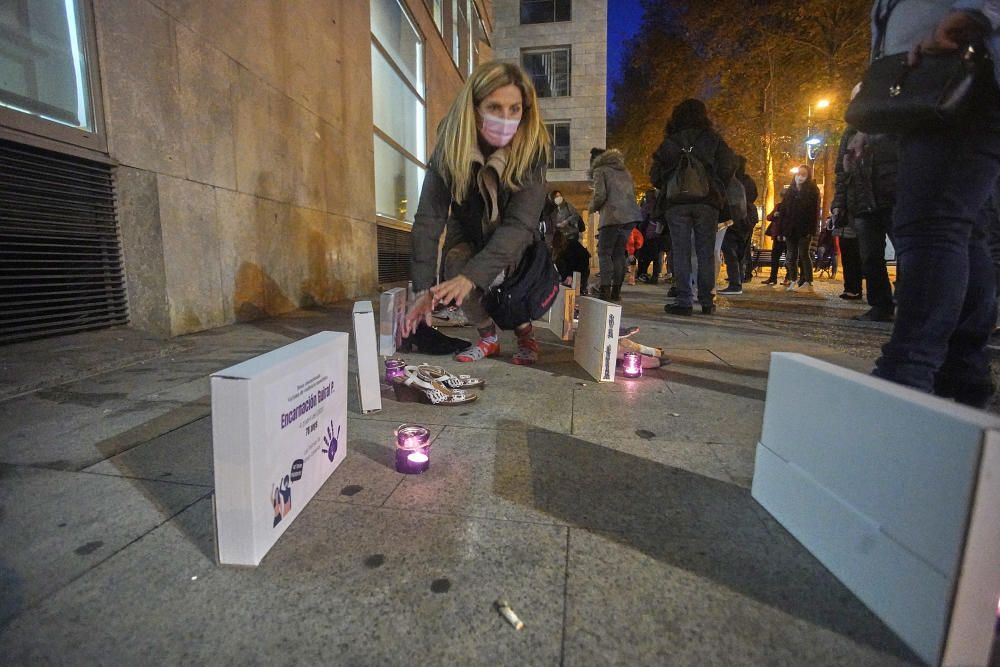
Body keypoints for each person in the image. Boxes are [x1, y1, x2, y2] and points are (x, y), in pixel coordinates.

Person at [869, 0, 1000, 408]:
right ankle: (961, 370)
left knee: (930, 225)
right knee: (961, 229)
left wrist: (977, 17)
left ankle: (908, 373)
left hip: (962, 75)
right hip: (934, 82)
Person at [404, 61, 550, 366]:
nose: (505, 118)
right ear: (474, 106)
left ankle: (525, 334)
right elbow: (428, 219)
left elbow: (519, 225)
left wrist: (473, 277)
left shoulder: (532, 149)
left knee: (511, 286)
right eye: (494, 107)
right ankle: (488, 337)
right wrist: (421, 289)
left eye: (515, 109)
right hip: (468, 231)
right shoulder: (450, 146)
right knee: (455, 269)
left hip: (515, 238)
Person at [650, 98, 736, 315]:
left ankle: (684, 300)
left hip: (677, 203)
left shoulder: (670, 142)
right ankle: (707, 300)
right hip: (707, 202)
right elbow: (728, 165)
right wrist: (714, 184)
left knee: (680, 251)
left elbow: (654, 175)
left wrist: (671, 182)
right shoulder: (712, 139)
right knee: (706, 251)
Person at [589, 148, 644, 302]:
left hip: (612, 216)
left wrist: (592, 207)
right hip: (629, 217)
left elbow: (600, 195)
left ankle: (605, 290)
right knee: (619, 254)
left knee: (604, 253)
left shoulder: (600, 170)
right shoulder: (625, 172)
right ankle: (616, 292)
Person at [831, 125, 865, 301]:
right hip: (847, 209)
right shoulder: (849, 132)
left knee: (867, 252)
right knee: (848, 249)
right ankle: (851, 287)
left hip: (866, 204)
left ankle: (874, 294)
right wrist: (837, 204)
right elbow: (840, 177)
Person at [778, 165, 820, 292]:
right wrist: (782, 229)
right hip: (791, 229)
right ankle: (793, 279)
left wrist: (811, 230)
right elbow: (784, 210)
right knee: (791, 256)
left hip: (804, 228)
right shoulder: (790, 190)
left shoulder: (812, 190)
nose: (800, 176)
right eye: (798, 173)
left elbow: (813, 211)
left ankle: (808, 281)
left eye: (803, 174)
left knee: (804, 254)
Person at [719, 156, 757, 295]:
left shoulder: (730, 182)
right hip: (747, 218)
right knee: (741, 250)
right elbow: (754, 195)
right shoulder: (748, 181)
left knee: (730, 251)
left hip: (734, 218)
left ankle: (735, 282)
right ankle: (739, 278)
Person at [636, 189, 668, 284]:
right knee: (651, 256)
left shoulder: (655, 207)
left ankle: (652, 275)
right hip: (648, 235)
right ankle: (645, 273)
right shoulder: (652, 207)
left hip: (653, 235)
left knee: (653, 256)